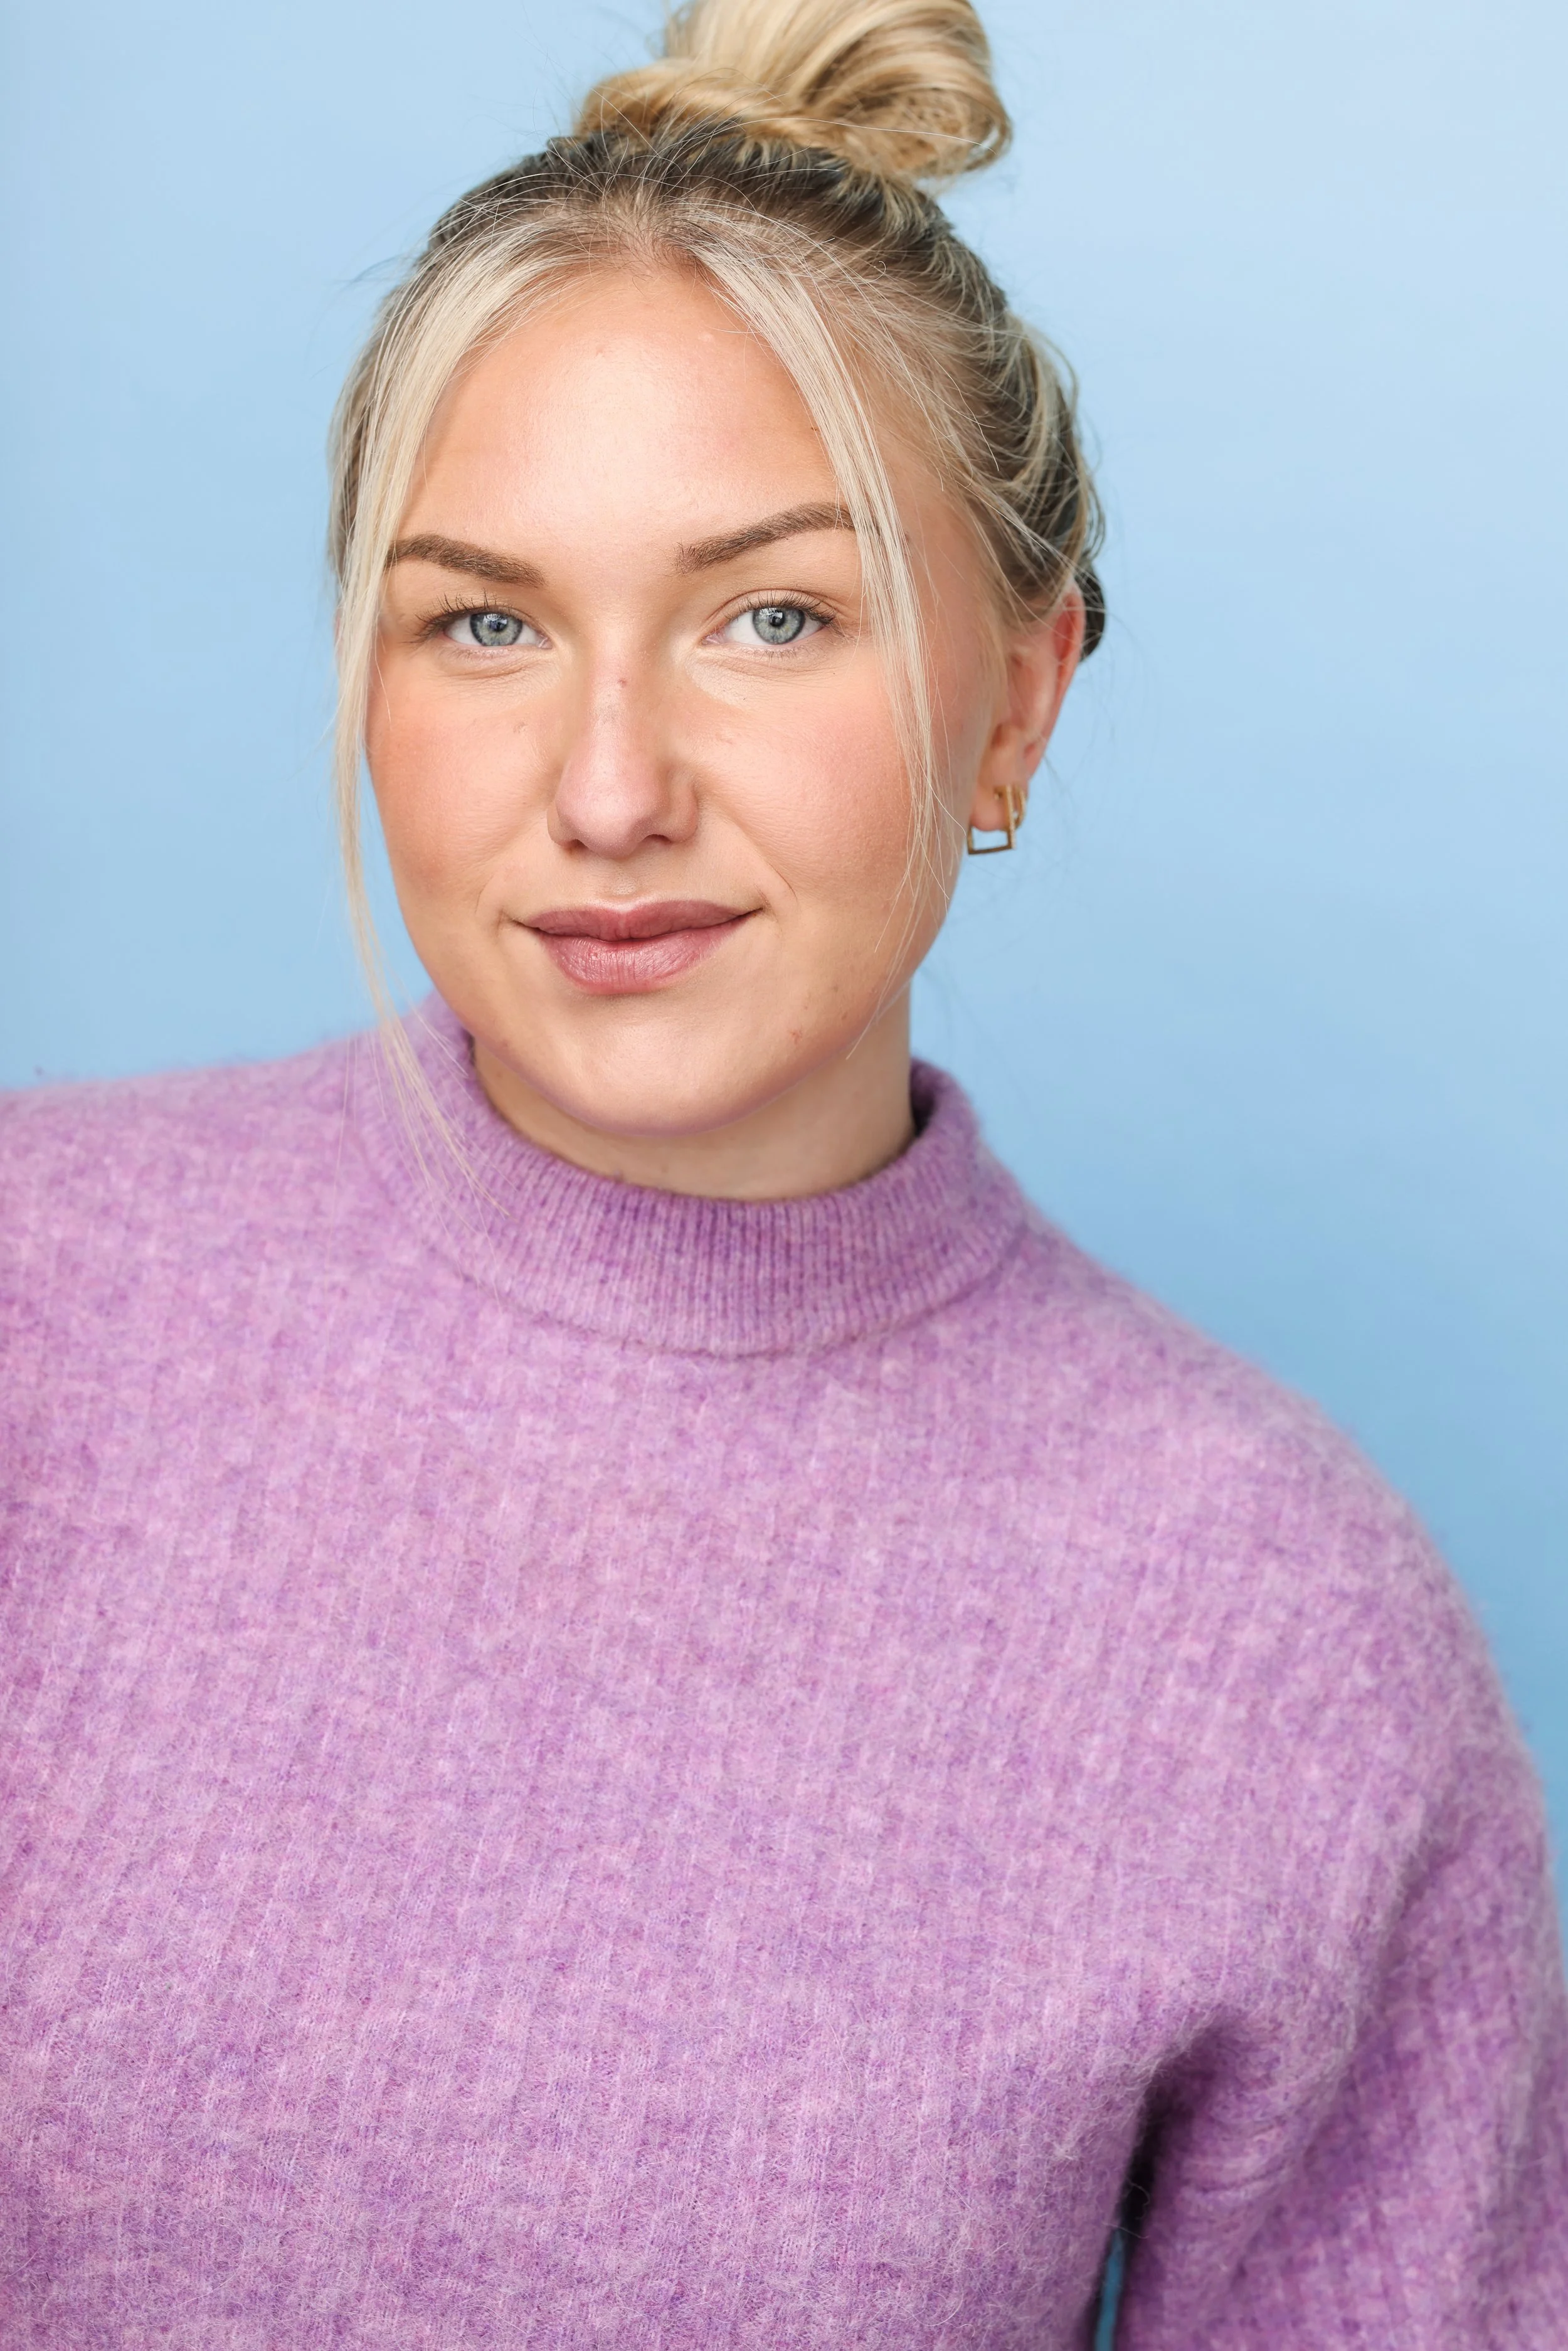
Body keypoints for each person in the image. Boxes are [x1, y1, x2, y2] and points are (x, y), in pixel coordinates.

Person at [1, 0, 1563, 2340]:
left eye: (772, 616)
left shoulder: (1279, 1633)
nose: (608, 787)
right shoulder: (43, 1303)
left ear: (1020, 696)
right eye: (486, 620)